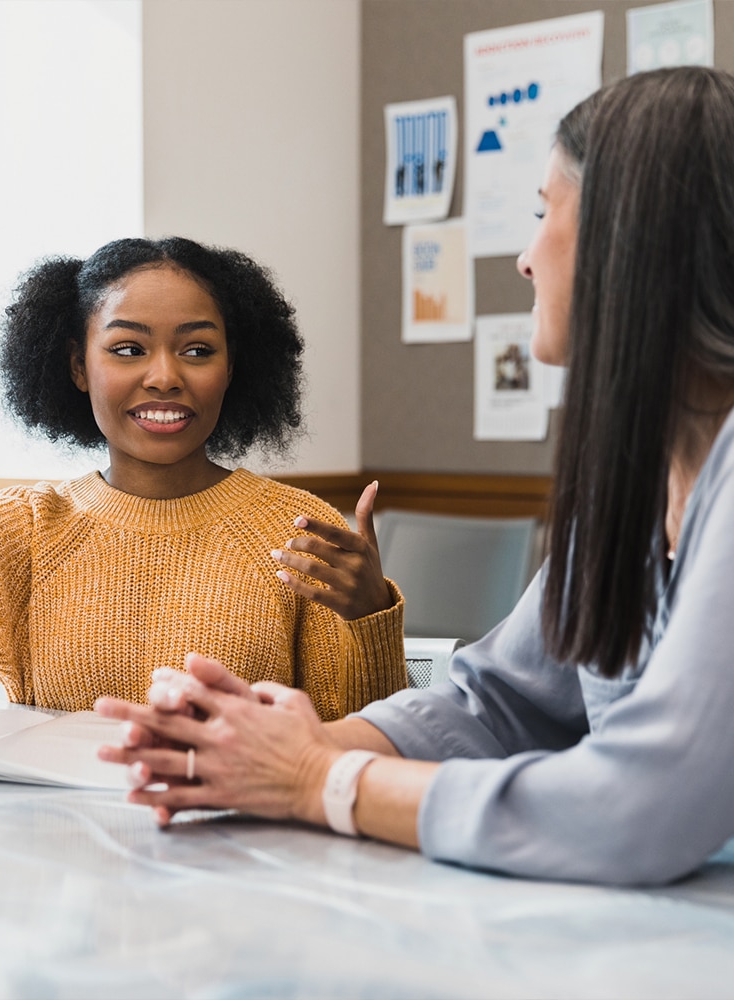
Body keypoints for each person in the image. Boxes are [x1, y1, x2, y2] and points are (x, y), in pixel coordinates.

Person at [96, 67, 734, 886]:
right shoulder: (638, 482)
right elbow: (502, 697)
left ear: (631, 242)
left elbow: (639, 809)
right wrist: (272, 743)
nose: (526, 256)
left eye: (545, 215)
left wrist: (317, 781)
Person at [0, 237, 405, 716]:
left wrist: (371, 614)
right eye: (128, 349)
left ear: (234, 368)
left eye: (197, 349)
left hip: (242, 863)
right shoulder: (29, 529)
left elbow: (364, 738)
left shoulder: (300, 531)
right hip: (59, 865)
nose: (164, 376)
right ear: (78, 367)